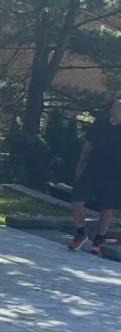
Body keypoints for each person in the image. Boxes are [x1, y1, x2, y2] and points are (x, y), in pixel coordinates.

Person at [68, 94, 121, 255]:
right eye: (116, 106)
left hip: (114, 175)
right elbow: (88, 146)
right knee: (77, 199)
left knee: (107, 206)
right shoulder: (100, 125)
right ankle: (80, 233)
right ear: (112, 109)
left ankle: (99, 240)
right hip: (92, 170)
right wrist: (80, 165)